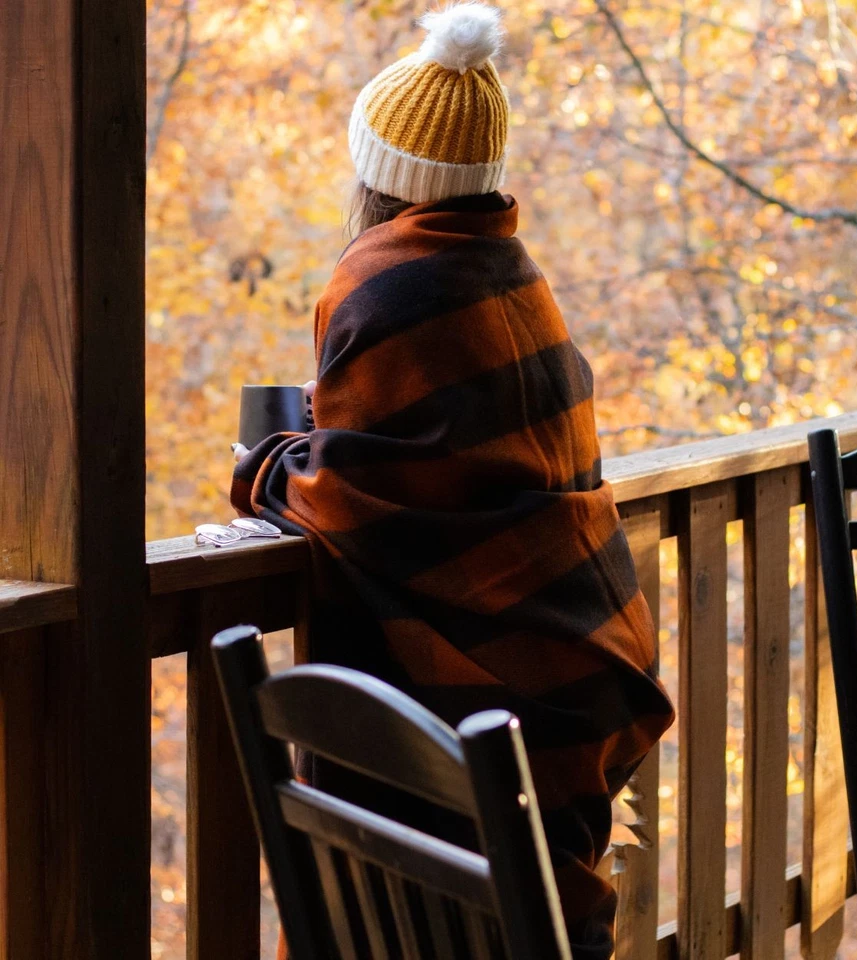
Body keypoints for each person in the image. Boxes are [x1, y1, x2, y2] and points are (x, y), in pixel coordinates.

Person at [232, 4, 674, 957]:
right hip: (571, 658)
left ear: (378, 172)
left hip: (476, 694)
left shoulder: (382, 283)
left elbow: (370, 497)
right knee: (531, 922)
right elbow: (457, 470)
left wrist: (269, 470)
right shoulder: (517, 277)